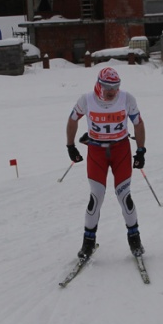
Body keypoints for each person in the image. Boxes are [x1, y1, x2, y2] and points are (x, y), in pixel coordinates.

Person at [65, 66, 146, 260]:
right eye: (107, 87)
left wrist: (141, 151)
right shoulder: (87, 99)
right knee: (96, 196)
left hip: (121, 150)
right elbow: (72, 120)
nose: (112, 91)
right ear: (99, 85)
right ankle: (88, 242)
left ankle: (134, 239)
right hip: (97, 152)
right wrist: (70, 146)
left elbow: (138, 123)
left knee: (124, 195)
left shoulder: (126, 98)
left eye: (116, 87)